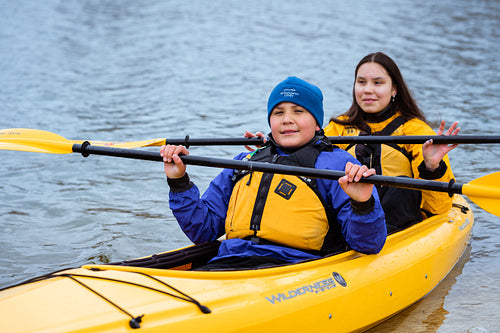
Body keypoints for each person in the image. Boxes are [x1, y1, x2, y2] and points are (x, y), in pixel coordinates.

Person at [161, 76, 386, 270]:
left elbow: (368, 245)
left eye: (298, 111)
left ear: (317, 124)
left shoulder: (338, 166)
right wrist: (178, 180)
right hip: (231, 262)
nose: (287, 119)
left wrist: (363, 203)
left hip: (295, 269)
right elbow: (203, 231)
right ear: (270, 121)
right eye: (278, 112)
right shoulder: (244, 162)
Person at [323, 52, 459, 232]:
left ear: (394, 89)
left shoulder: (415, 131)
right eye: (361, 82)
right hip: (349, 215)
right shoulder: (337, 128)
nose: (367, 90)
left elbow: (438, 208)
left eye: (378, 83)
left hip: (398, 224)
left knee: (400, 187)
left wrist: (432, 167)